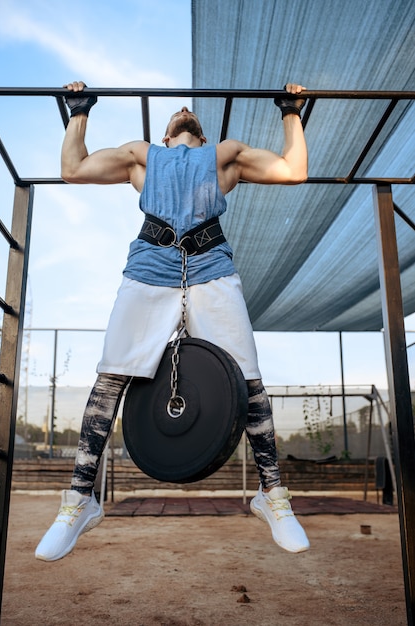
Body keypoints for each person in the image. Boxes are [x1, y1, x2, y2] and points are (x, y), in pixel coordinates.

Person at [35, 81, 310, 561]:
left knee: (250, 383)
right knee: (111, 377)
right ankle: (80, 499)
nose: (184, 109)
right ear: (165, 139)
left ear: (200, 138)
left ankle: (271, 495)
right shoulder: (143, 157)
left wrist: (291, 112)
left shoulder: (225, 156)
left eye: (190, 114)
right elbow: (72, 169)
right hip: (149, 269)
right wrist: (79, 111)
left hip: (212, 270)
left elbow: (294, 170)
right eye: (176, 114)